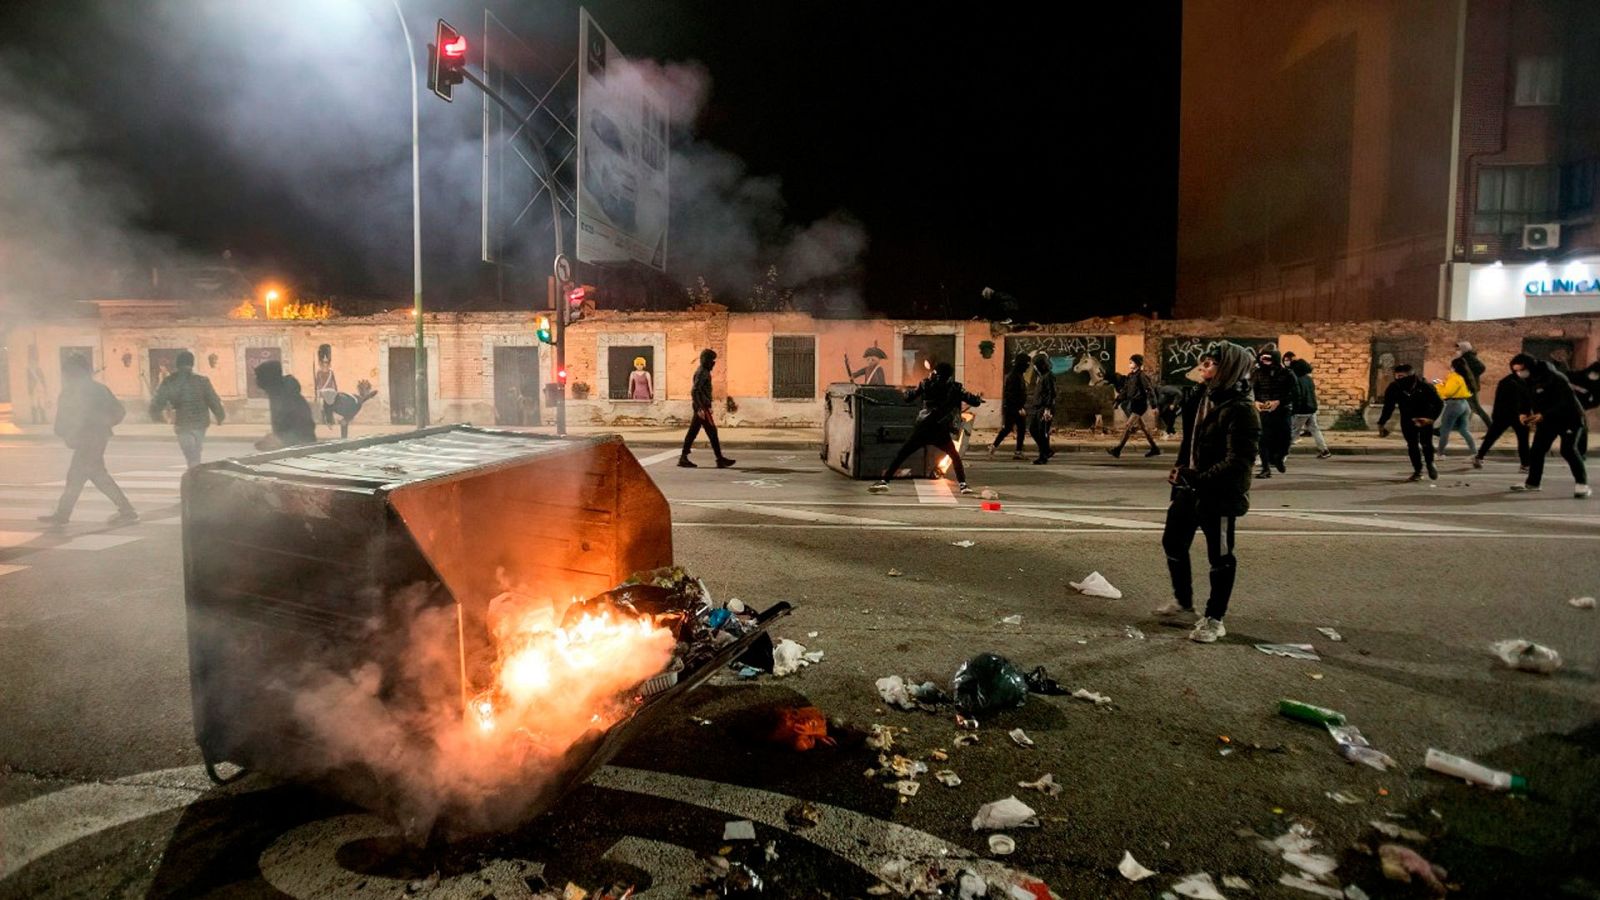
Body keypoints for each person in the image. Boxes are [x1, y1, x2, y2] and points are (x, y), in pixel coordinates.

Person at [1153, 342, 1260, 643]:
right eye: (1204, 361)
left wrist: (1197, 477)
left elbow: (1239, 461)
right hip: (1190, 488)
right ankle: (1184, 603)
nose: (1203, 366)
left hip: (1220, 494)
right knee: (1173, 542)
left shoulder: (1241, 409)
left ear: (1229, 369)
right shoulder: (1202, 397)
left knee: (1220, 557)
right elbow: (1190, 442)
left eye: (1211, 363)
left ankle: (1215, 619)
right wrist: (1180, 471)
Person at [38, 357, 138, 528]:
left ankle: (127, 510)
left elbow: (62, 419)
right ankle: (63, 514)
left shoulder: (71, 391)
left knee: (85, 476)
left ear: (71, 373)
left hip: (84, 440)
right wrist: (105, 423)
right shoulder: (100, 389)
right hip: (100, 437)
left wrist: (65, 433)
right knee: (88, 475)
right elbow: (119, 411)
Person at [869, 361, 982, 493]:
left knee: (902, 454)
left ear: (935, 373)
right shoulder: (956, 387)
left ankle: (885, 481)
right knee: (954, 456)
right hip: (940, 428)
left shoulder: (926, 384)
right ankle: (963, 484)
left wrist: (904, 390)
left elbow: (908, 397)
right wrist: (978, 398)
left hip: (924, 427)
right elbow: (974, 401)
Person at [1508, 353, 1589, 497]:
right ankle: (1533, 483)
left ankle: (1582, 485)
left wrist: (1543, 414)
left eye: (1521, 369)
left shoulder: (1555, 377)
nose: (1519, 373)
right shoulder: (1526, 380)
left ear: (1530, 366)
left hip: (1570, 418)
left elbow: (1565, 402)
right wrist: (1523, 413)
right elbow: (1524, 397)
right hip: (1547, 421)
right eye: (1516, 371)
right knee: (1537, 450)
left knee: (1568, 450)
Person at [148, 349, 225, 467]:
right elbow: (213, 399)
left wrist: (155, 415)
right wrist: (220, 415)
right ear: (192, 364)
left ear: (177, 364)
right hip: (200, 422)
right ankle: (195, 468)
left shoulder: (170, 381)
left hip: (182, 422)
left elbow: (158, 400)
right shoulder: (202, 381)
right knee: (196, 450)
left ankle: (193, 469)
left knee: (189, 452)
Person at [1376, 364, 1444, 483]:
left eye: (1401, 376)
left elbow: (1439, 404)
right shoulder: (1394, 387)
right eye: (1396, 376)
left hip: (1424, 418)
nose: (1398, 379)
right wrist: (1382, 422)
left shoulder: (1425, 387)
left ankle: (1430, 463)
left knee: (1426, 443)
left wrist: (1430, 419)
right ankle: (1418, 471)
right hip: (1407, 419)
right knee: (1412, 445)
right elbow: (1388, 407)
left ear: (1411, 375)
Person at [1472, 361, 1532, 472]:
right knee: (1494, 437)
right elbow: (1501, 400)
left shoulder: (1520, 381)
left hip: (1515, 416)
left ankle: (1525, 464)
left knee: (1520, 440)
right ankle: (1479, 456)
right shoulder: (1510, 382)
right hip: (1508, 415)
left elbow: (1528, 400)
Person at [679, 349, 735, 468]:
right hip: (701, 407)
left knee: (695, 432)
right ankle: (719, 459)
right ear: (706, 361)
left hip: (702, 406)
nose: (714, 363)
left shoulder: (704, 371)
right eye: (712, 360)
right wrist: (700, 408)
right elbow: (695, 391)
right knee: (711, 432)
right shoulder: (702, 373)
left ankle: (684, 457)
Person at [253, 359, 317, 449]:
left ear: (268, 380)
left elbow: (304, 431)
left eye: (258, 378)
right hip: (291, 451)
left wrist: (280, 441)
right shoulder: (277, 395)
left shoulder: (288, 397)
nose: (256, 382)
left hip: (300, 452)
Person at [1251, 349, 1296, 477]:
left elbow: (1294, 393)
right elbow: (1251, 390)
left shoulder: (1287, 374)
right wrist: (1256, 402)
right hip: (1264, 411)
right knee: (1263, 440)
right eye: (1262, 359)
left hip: (1282, 411)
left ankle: (1278, 458)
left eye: (1267, 359)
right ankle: (1265, 468)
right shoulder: (1257, 373)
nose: (1264, 361)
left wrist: (1279, 402)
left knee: (1285, 438)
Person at [1108, 354, 1161, 459]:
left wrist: (1154, 405)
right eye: (1130, 362)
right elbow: (1125, 390)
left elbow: (1149, 390)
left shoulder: (1141, 376)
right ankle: (1155, 448)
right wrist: (1118, 401)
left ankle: (1118, 450)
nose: (1129, 364)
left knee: (1128, 426)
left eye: (1131, 362)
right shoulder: (1130, 376)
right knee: (1144, 428)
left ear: (1137, 364)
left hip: (1140, 404)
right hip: (1133, 403)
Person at [988, 353, 1030, 459]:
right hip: (1014, 408)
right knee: (1015, 428)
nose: (1027, 367)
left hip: (1014, 407)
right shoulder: (1015, 376)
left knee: (1012, 428)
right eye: (1026, 364)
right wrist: (1019, 408)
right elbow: (1011, 394)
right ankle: (1016, 451)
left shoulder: (1017, 375)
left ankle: (996, 447)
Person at [1287, 358, 1331, 458]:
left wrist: (1294, 410)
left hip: (1301, 410)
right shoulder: (1308, 379)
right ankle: (1324, 450)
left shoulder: (1296, 379)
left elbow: (1298, 395)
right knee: (1315, 430)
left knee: (1293, 431)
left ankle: (1282, 454)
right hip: (1311, 408)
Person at [1433, 356, 1477, 458]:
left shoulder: (1455, 377)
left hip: (1454, 405)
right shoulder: (1466, 377)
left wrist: (1437, 385)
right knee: (1464, 430)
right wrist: (1443, 383)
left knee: (1444, 430)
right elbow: (1454, 388)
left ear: (1453, 367)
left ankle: (1439, 454)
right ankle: (1475, 453)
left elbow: (1447, 392)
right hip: (1465, 404)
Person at [1025, 353, 1056, 464]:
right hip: (1039, 407)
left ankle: (1043, 456)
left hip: (1044, 408)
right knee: (1034, 429)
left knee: (1042, 432)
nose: (1035, 368)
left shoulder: (1048, 376)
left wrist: (1047, 409)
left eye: (1036, 365)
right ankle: (1046, 450)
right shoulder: (1043, 376)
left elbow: (1051, 393)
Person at [1455, 341, 1492, 428]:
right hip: (1466, 386)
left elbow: (1481, 367)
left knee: (1476, 408)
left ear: (1464, 349)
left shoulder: (1469, 357)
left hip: (1470, 387)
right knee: (1464, 407)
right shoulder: (1464, 358)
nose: (1457, 351)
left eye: (1459, 349)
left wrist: (1470, 375)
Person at [313, 344, 339, 427]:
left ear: (328, 363)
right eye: (324, 363)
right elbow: (317, 383)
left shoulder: (331, 372)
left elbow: (334, 382)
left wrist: (336, 390)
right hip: (322, 391)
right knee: (324, 406)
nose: (325, 364)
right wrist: (317, 392)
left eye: (326, 363)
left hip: (330, 391)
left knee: (330, 406)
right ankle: (326, 420)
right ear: (321, 363)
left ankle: (330, 420)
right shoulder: (319, 372)